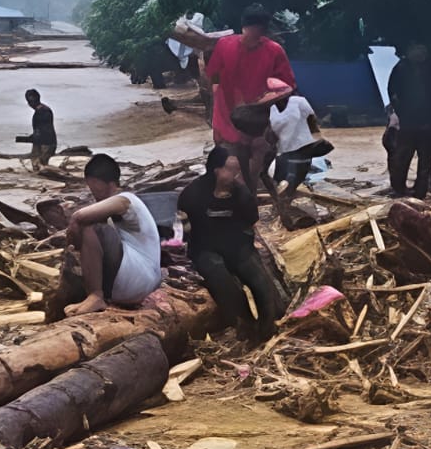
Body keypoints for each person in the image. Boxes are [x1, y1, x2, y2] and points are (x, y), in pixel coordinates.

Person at [180, 146, 281, 340]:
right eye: (230, 170)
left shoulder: (241, 194)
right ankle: (244, 324)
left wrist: (247, 245)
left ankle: (270, 325)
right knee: (221, 278)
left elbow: (251, 222)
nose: (235, 175)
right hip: (205, 248)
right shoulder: (192, 194)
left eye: (237, 171)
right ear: (216, 169)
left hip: (238, 246)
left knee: (260, 282)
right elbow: (184, 228)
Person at [59, 153, 164, 316]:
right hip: (138, 281)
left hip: (140, 280)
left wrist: (72, 231)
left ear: (108, 184)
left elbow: (79, 217)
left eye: (95, 187)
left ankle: (95, 295)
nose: (93, 193)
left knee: (92, 227)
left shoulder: (126, 199)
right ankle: (95, 294)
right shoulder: (118, 206)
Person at [207, 4, 295, 189]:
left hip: (259, 119)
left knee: (256, 159)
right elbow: (213, 73)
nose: (252, 38)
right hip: (227, 116)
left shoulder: (274, 51)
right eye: (249, 32)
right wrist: (216, 89)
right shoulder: (224, 45)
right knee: (229, 163)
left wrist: (268, 101)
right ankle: (234, 194)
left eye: (257, 34)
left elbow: (287, 85)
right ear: (243, 27)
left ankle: (249, 194)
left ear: (263, 31)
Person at [386, 42, 431, 198]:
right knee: (402, 157)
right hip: (408, 122)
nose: (420, 53)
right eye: (416, 49)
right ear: (409, 52)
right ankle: (399, 189)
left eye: (423, 50)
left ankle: (421, 191)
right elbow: (392, 92)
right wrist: (400, 114)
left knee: (426, 159)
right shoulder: (401, 68)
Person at [266, 78, 326, 206]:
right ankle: (285, 201)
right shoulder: (269, 108)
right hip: (282, 148)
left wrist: (317, 140)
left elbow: (312, 121)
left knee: (294, 176)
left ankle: (289, 199)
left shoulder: (299, 102)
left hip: (301, 146)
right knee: (282, 177)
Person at [20, 88, 57, 171]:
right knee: (37, 163)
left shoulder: (43, 111)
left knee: (41, 164)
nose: (29, 104)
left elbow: (44, 129)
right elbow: (41, 128)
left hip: (46, 143)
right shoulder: (42, 110)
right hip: (41, 142)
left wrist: (35, 136)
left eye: (30, 101)